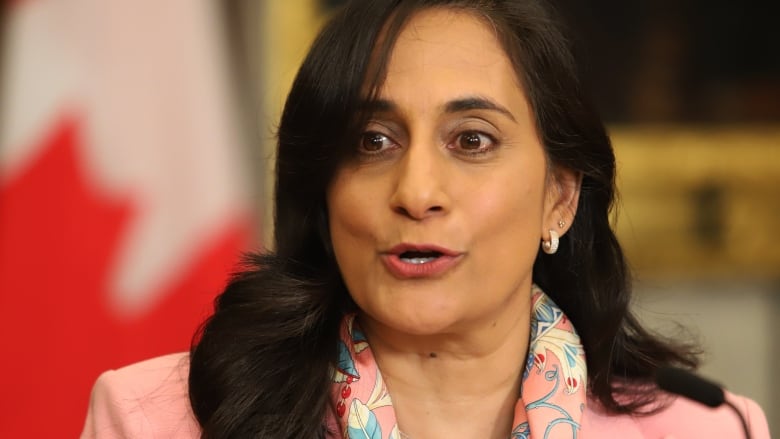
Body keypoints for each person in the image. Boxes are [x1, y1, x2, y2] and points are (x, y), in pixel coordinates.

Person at [81, 0, 771, 438]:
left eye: (472, 140)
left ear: (559, 197)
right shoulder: (154, 418)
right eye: (371, 142)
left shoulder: (707, 427)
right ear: (322, 188)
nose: (416, 191)